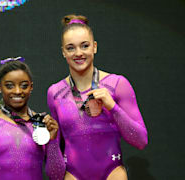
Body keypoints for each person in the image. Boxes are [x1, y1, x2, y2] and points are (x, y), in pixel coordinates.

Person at [47, 14, 148, 180]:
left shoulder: (118, 84)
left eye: (84, 46)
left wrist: (113, 107)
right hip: (74, 175)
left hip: (112, 174)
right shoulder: (55, 92)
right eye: (71, 48)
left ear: (94, 47)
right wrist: (50, 142)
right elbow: (54, 171)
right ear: (63, 52)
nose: (78, 53)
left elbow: (141, 141)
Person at [0, 58, 65, 180]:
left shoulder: (41, 124)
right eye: (9, 86)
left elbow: (57, 176)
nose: (18, 91)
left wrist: (52, 140)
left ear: (31, 87)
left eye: (24, 86)